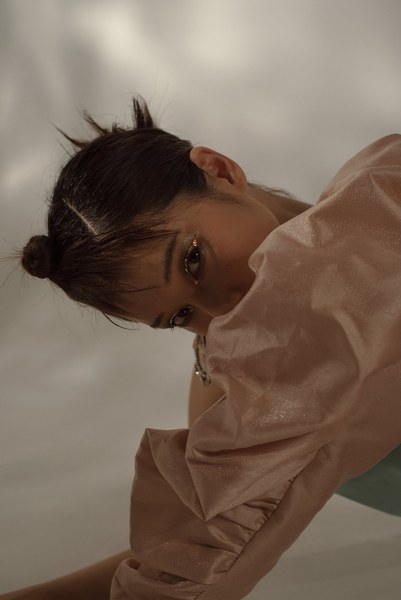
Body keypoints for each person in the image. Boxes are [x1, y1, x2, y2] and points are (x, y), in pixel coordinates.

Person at [2, 98, 401, 599]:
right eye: (180, 317)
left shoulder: (385, 190)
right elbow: (191, 554)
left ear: (219, 169)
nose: (222, 308)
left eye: (193, 261)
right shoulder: (232, 390)